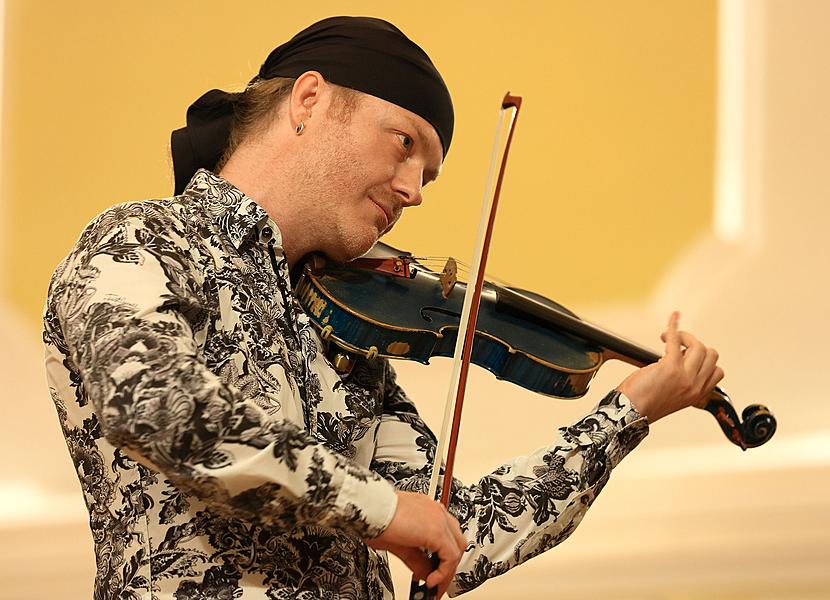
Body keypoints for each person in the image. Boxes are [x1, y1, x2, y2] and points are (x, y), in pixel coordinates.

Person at [43, 16, 723, 600]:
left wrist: (628, 412)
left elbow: (457, 531)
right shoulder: (145, 242)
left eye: (427, 175)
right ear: (308, 99)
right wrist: (381, 508)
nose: (414, 190)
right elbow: (160, 407)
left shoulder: (338, 328)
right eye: (405, 145)